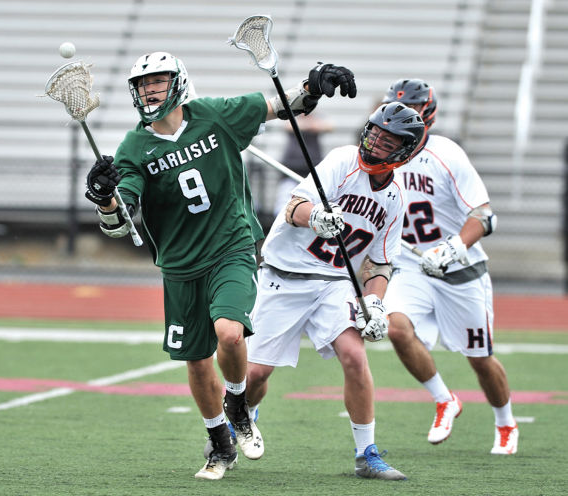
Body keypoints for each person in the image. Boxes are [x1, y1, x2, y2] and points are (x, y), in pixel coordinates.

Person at [83, 51, 357, 480]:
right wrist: (105, 196)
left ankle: (237, 403)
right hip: (179, 264)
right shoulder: (134, 146)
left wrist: (313, 86)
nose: (149, 90)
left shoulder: (214, 115)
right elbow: (120, 218)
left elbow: (283, 106)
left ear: (177, 82)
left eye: (157, 81)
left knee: (229, 333)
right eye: (142, 85)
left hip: (231, 246)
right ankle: (219, 440)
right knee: (195, 360)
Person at [244, 102, 426, 480]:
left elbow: (379, 263)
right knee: (256, 375)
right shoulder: (342, 161)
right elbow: (294, 206)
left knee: (355, 357)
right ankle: (243, 414)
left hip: (333, 282)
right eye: (375, 131)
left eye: (388, 138)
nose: (376, 141)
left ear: (404, 150)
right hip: (284, 275)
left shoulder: (394, 200)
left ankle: (366, 454)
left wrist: (375, 302)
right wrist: (316, 216)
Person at [381, 78, 519, 455]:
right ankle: (445, 400)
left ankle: (506, 422)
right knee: (396, 329)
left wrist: (453, 247)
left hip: (459, 271)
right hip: (411, 265)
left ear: (428, 116)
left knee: (479, 358)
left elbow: (485, 215)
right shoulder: (382, 154)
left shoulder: (446, 154)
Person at [272, 113, 333, 217]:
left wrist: (312, 125)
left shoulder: (316, 120)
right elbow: (288, 126)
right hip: (292, 168)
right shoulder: (293, 118)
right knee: (283, 203)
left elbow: (329, 127)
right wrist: (307, 126)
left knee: (312, 201)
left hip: (311, 169)